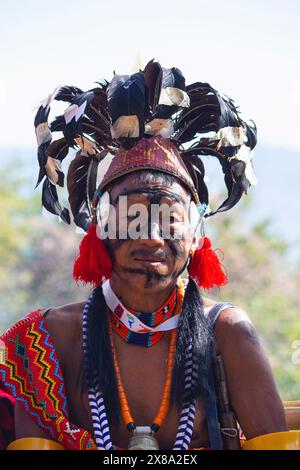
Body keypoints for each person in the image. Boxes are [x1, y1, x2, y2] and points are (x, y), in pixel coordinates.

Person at [0, 61, 287, 450]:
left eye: (169, 219)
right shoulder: (43, 341)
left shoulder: (228, 333)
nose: (151, 238)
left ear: (194, 235)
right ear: (100, 228)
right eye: (131, 217)